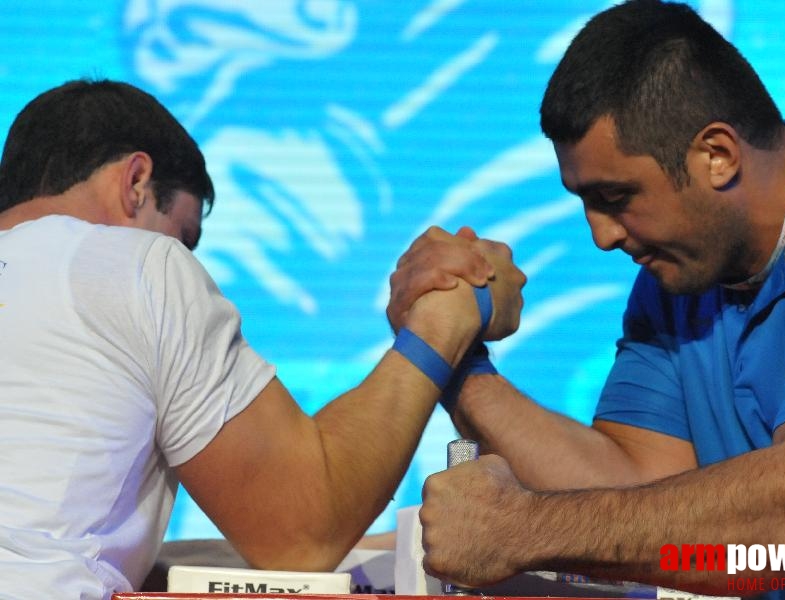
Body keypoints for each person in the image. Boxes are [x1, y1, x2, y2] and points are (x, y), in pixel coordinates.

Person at [387, 1, 785, 597]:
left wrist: (522, 528)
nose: (601, 236)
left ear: (718, 155)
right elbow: (634, 493)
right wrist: (451, 348)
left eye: (614, 196)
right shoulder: (678, 277)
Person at [0, 78, 526, 599]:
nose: (185, 260)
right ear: (136, 182)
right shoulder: (135, 264)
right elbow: (302, 530)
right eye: (184, 238)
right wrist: (452, 312)